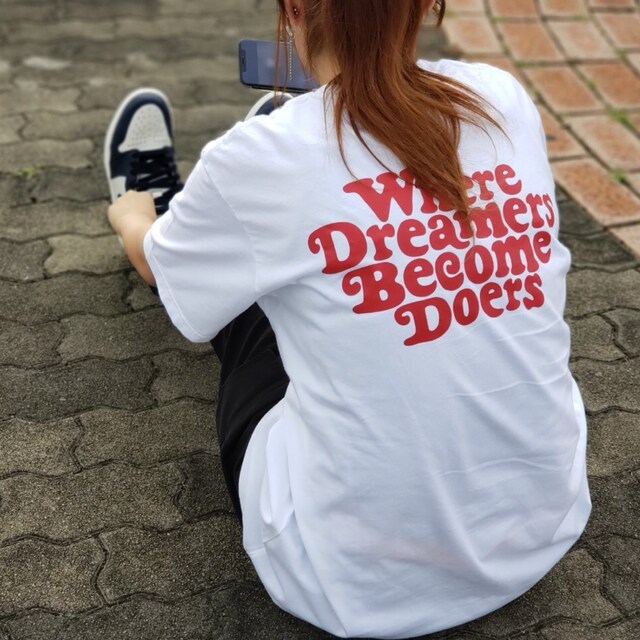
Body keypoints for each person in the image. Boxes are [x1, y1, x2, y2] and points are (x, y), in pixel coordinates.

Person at [104, 1, 591, 637]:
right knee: (323, 280)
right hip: (540, 528)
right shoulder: (500, 98)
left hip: (341, 578)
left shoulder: (256, 157)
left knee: (249, 308)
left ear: (294, 9)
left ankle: (186, 214)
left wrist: (132, 216)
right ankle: (257, 230)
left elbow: (155, 270)